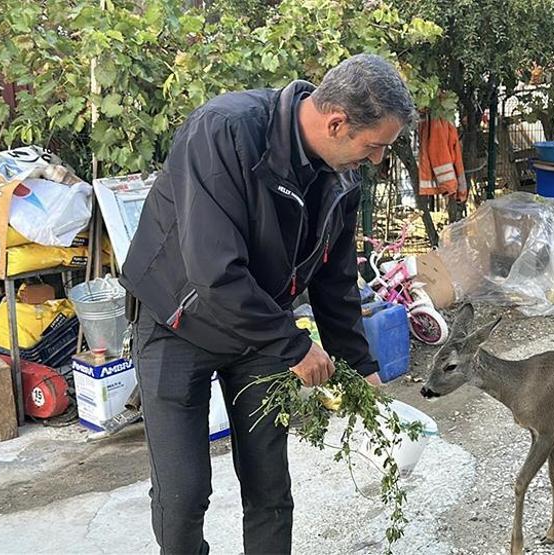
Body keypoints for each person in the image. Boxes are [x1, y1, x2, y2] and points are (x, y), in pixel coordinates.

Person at [120, 54, 416, 554]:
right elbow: (214, 272)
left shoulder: (340, 177)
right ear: (336, 123)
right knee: (184, 493)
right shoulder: (223, 131)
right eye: (374, 146)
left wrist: (360, 365)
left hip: (259, 328)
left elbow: (335, 279)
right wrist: (294, 347)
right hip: (179, 321)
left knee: (269, 487)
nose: (376, 161)